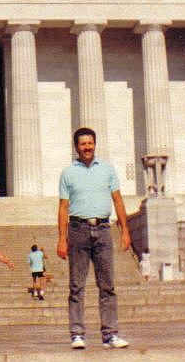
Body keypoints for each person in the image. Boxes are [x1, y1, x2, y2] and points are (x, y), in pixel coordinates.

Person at [57, 127, 131, 350]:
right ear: (76, 147)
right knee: (76, 286)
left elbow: (117, 200)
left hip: (103, 228)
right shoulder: (68, 173)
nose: (87, 147)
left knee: (107, 285)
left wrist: (125, 231)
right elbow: (63, 207)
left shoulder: (107, 169)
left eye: (90, 143)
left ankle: (110, 334)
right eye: (83, 144)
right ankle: (77, 334)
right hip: (78, 229)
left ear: (95, 145)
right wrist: (62, 238)